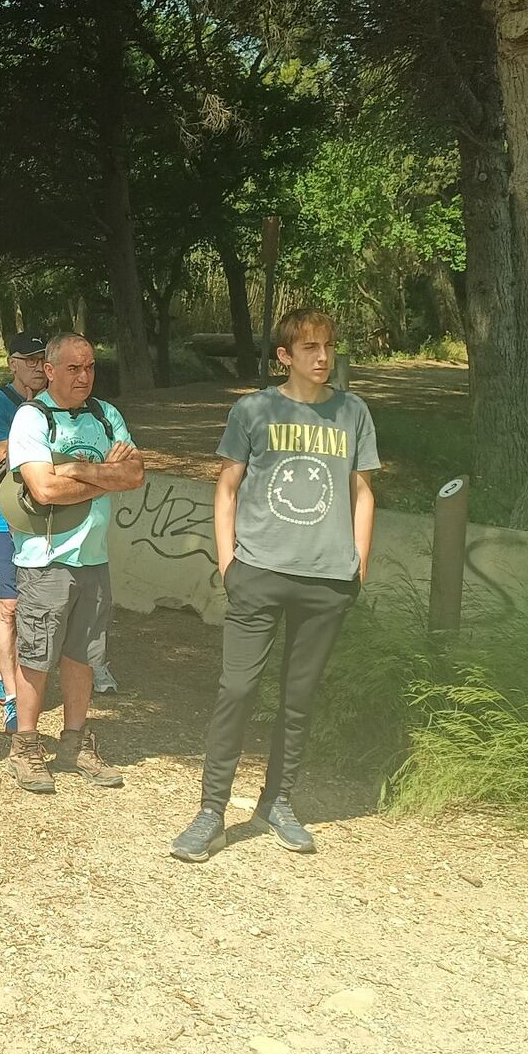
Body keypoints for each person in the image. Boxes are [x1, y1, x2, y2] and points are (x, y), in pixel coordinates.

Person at [172, 308, 378, 862]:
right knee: (236, 690)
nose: (322, 357)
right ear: (284, 356)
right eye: (309, 348)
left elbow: (362, 491)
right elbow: (227, 487)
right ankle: (211, 813)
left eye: (329, 346)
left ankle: (277, 801)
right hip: (258, 572)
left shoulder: (353, 412)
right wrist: (227, 562)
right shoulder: (253, 409)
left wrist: (357, 562)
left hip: (327, 580)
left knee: (299, 697)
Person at [4, 333, 145, 795]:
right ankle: (25, 745)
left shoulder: (106, 415)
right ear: (49, 369)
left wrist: (78, 471)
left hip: (94, 558)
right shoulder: (31, 418)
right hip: (46, 561)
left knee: (84, 654)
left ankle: (75, 742)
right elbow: (43, 490)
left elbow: (136, 474)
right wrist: (107, 476)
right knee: (37, 655)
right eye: (72, 368)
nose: (84, 376)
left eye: (89, 367)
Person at [0, 332, 50, 727]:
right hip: (1, 519)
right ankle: (9, 693)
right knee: (8, 606)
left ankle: (20, 674)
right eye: (30, 359)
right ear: (12, 364)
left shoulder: (56, 406)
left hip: (49, 518)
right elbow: (4, 454)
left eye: (43, 359)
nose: (38, 367)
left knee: (43, 603)